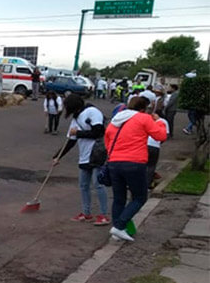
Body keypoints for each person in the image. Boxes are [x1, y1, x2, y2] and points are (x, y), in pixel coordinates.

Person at [105, 96, 167, 241]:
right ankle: (119, 226)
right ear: (143, 108)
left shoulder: (115, 120)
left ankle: (118, 231)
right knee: (140, 197)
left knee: (119, 198)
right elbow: (160, 135)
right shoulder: (143, 118)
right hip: (134, 162)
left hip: (114, 162)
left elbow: (107, 139)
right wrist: (159, 122)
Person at [53, 94, 110, 226]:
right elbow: (71, 141)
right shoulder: (75, 119)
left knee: (98, 184)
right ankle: (86, 213)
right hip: (84, 155)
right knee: (84, 185)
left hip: (97, 152)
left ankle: (103, 215)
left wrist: (78, 133)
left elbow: (98, 131)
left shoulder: (92, 112)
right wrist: (57, 156)